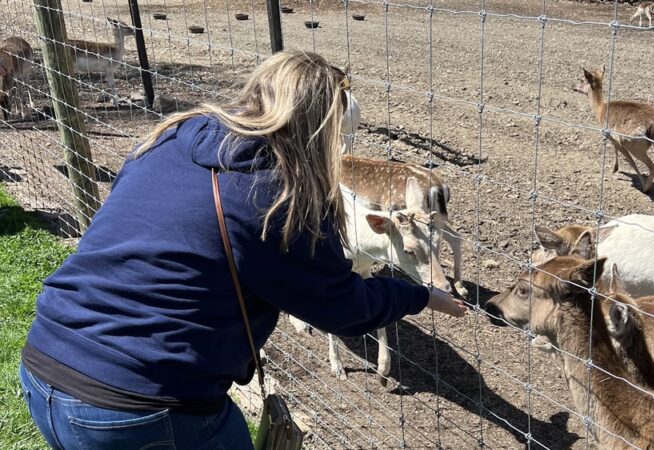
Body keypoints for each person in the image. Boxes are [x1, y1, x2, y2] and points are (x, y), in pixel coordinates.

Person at [18, 50, 466, 449]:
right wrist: (420, 295)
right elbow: (341, 306)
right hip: (140, 404)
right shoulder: (280, 196)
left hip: (45, 362)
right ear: (323, 129)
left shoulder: (170, 136)